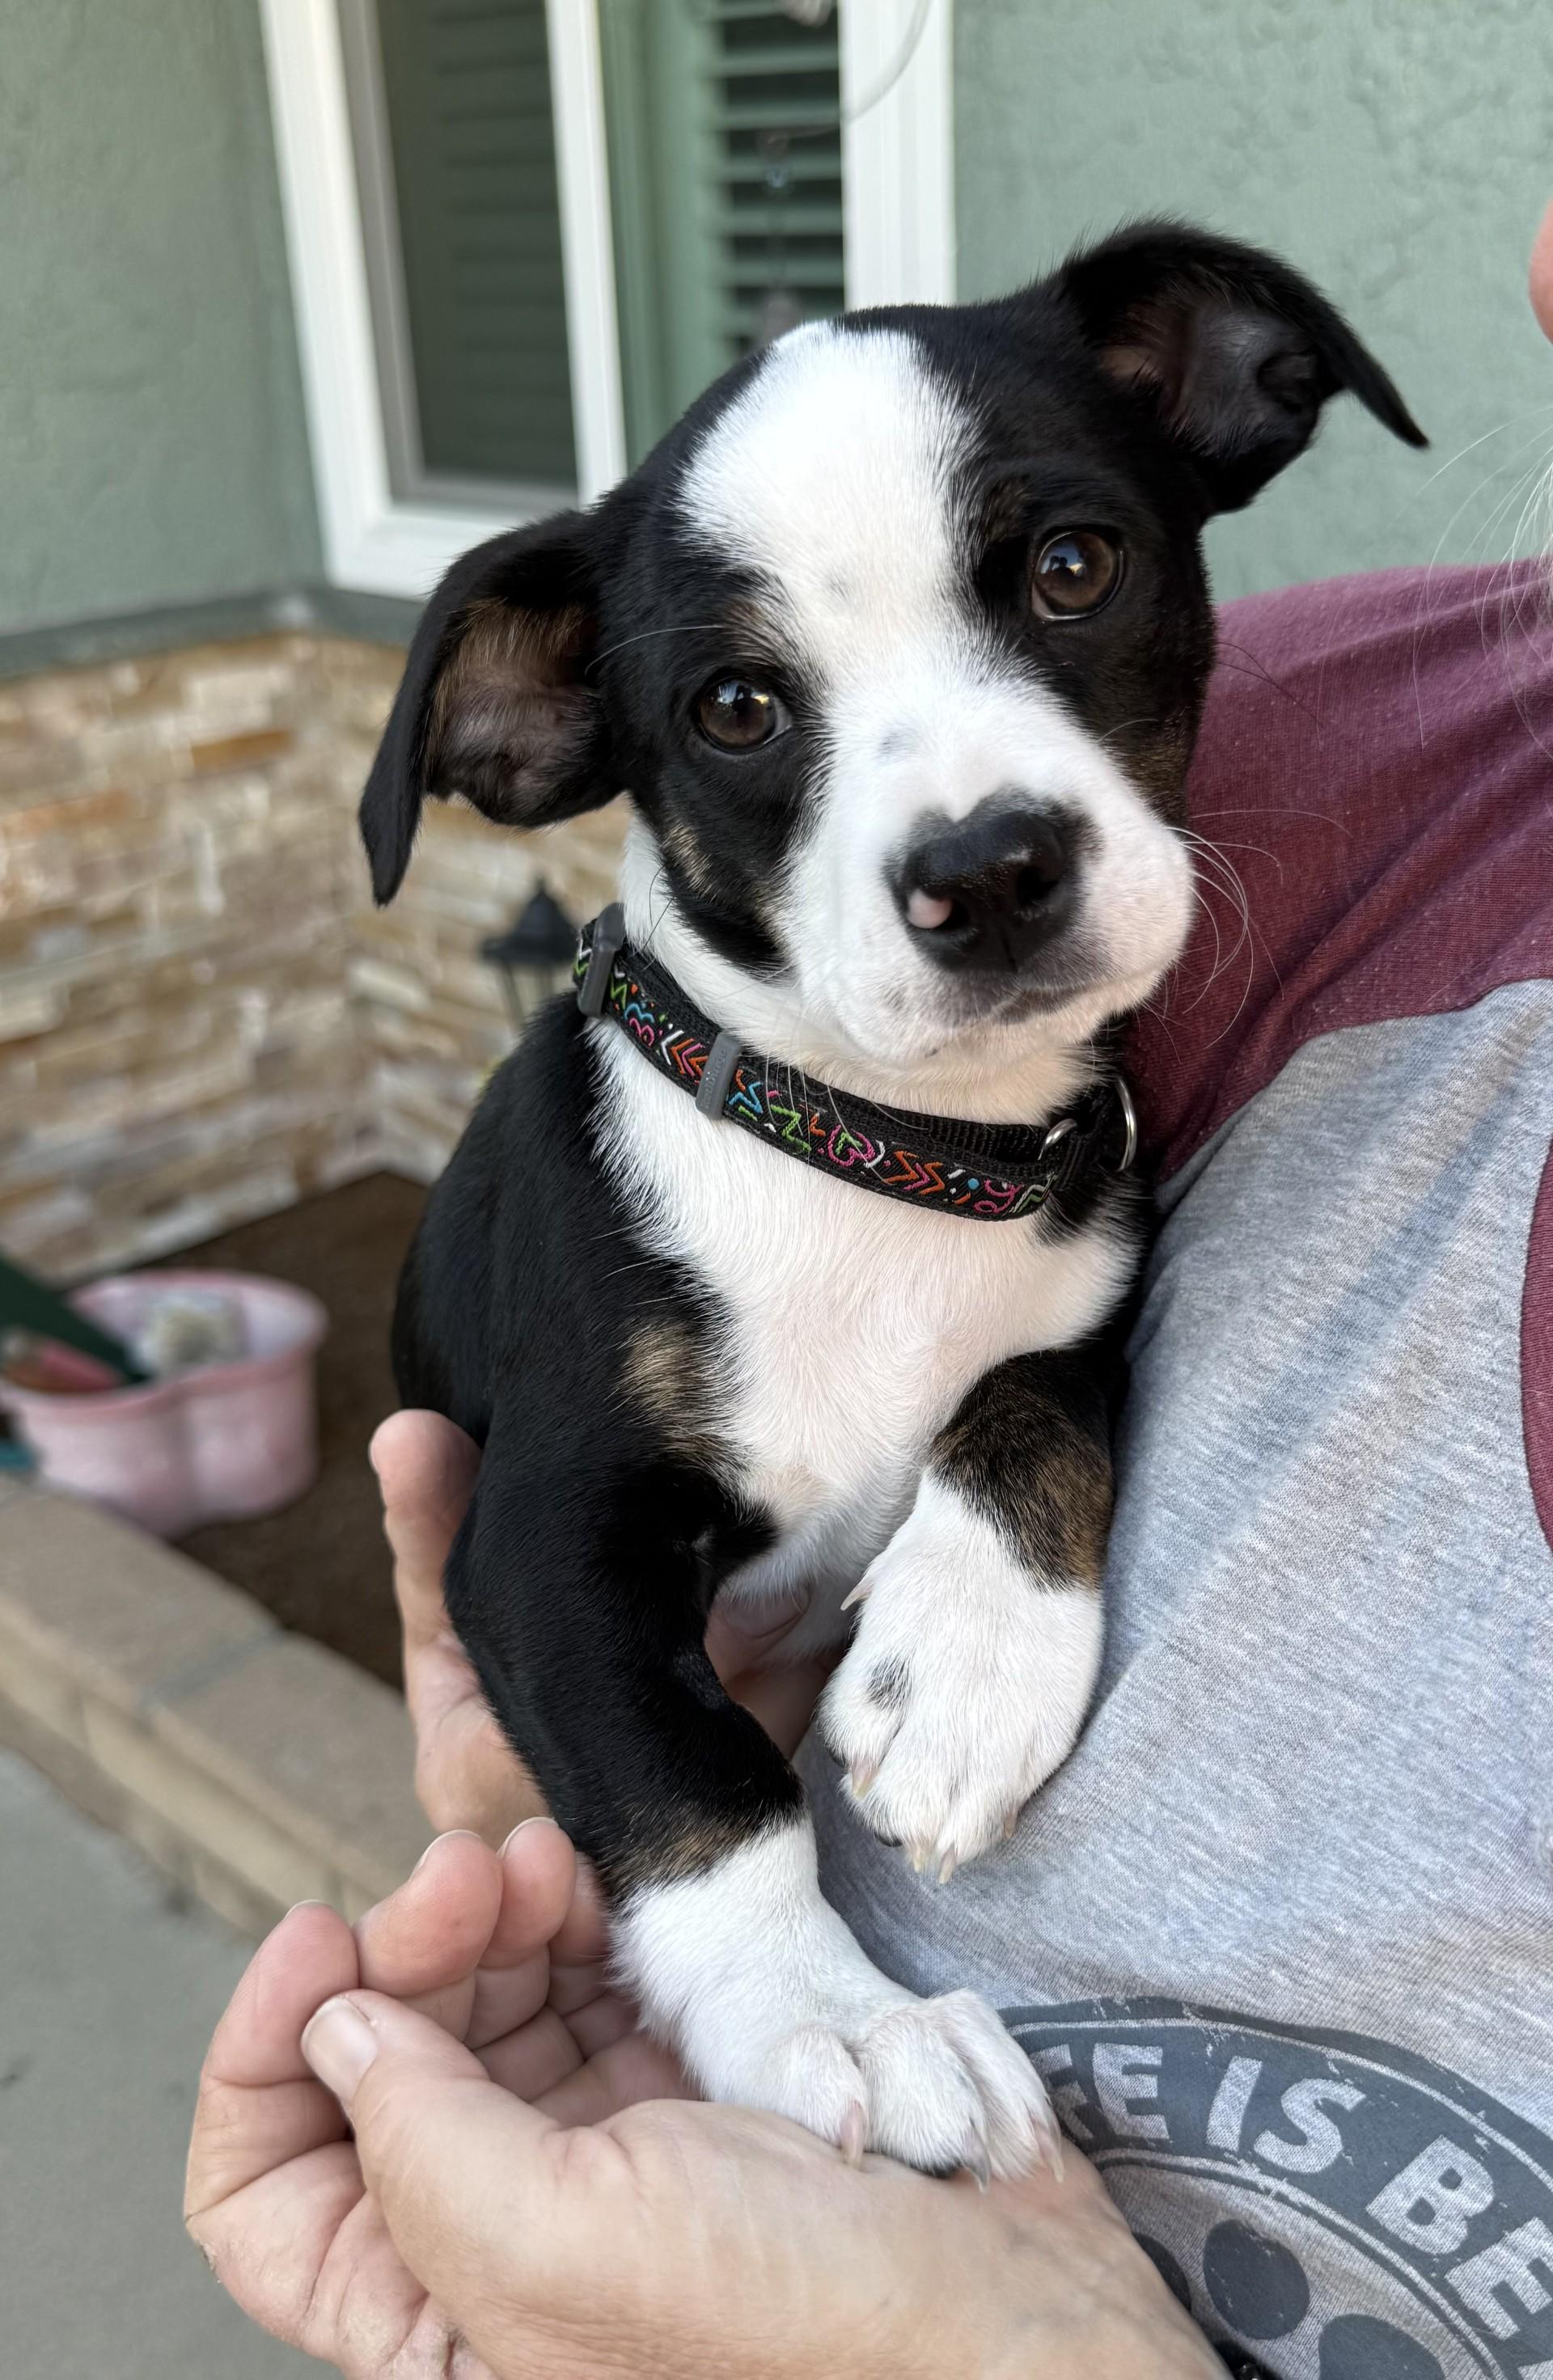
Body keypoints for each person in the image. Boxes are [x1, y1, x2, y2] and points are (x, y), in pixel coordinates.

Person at [186, 216, 1553, 2378]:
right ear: (548, 736)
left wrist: (1027, 1488)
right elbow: (546, 1571)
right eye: (746, 703)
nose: (972, 823)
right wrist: (755, 1971)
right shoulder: (648, 1205)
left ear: (1213, 397)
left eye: (1064, 580)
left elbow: (1060, 1322)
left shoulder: (1081, 1128)